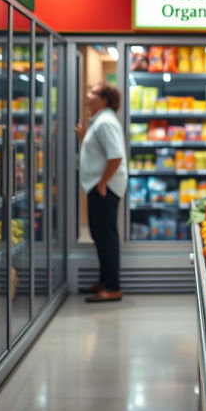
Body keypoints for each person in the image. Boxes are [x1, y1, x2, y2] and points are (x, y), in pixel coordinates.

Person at [75, 83, 127, 303]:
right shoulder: (100, 121)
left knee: (106, 238)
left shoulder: (105, 122)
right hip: (99, 186)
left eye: (93, 93)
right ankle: (104, 281)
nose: (87, 96)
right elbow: (99, 151)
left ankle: (113, 287)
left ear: (105, 100)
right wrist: (85, 137)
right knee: (100, 235)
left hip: (104, 187)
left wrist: (103, 182)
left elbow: (116, 156)